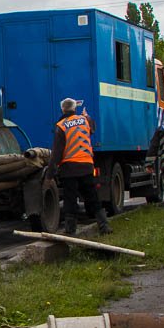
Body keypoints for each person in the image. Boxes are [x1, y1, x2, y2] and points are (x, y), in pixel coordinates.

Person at [46, 97, 111, 235]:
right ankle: (104, 226)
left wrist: (50, 173)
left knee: (70, 199)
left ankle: (70, 230)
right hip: (87, 166)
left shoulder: (61, 126)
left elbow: (57, 152)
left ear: (63, 109)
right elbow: (92, 128)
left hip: (69, 169)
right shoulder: (85, 121)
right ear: (75, 109)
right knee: (92, 196)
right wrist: (87, 116)